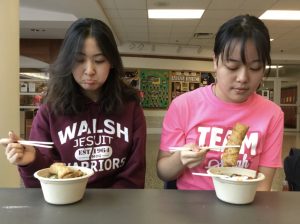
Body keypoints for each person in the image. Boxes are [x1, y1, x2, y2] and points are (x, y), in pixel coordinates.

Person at [0, 18, 146, 188]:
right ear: (68, 61)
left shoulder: (130, 106)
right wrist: (31, 161)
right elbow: (42, 182)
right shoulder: (50, 110)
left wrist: (108, 208)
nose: (89, 70)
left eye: (99, 60)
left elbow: (134, 173)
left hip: (118, 205)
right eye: (79, 60)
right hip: (66, 202)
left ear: (112, 62)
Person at [157, 14, 283, 191]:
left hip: (243, 204)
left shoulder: (272, 114)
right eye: (232, 66)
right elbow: (163, 172)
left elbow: (263, 184)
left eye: (255, 68)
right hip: (189, 206)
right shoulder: (183, 105)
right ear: (215, 62)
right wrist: (180, 159)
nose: (243, 78)